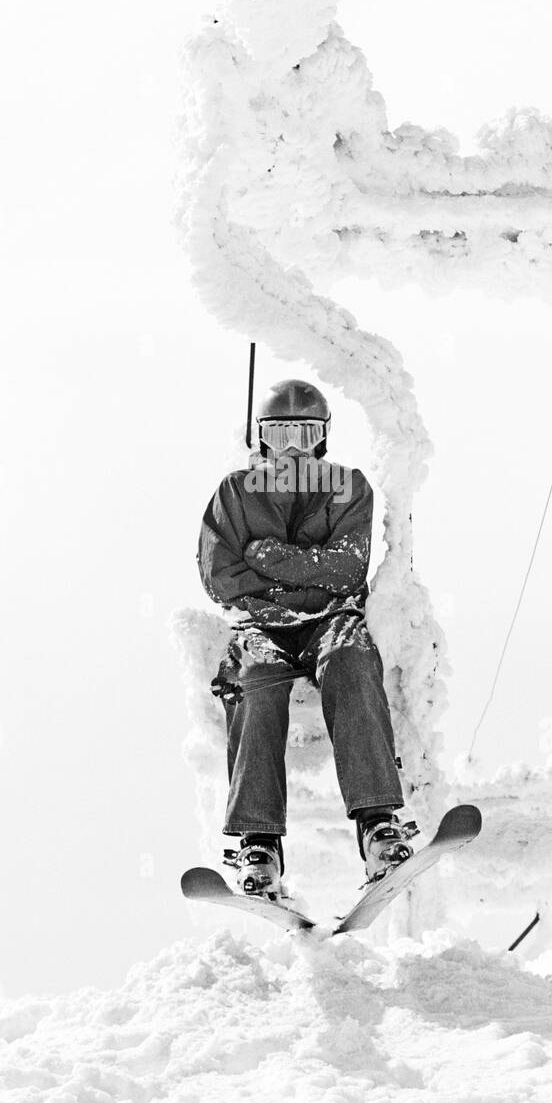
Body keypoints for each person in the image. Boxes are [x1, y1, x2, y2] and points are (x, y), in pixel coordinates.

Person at [197, 378, 416, 899]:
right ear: (264, 436)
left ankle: (377, 824)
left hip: (330, 619)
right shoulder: (235, 491)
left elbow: (346, 570)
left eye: (305, 431)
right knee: (255, 680)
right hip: (261, 625)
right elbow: (220, 575)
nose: (293, 444)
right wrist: (295, 581)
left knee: (351, 659)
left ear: (322, 436)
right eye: (281, 432)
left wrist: (267, 555)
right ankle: (259, 841)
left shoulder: (348, 486)